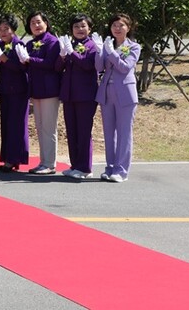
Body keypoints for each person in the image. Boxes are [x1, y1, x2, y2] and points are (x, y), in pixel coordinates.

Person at [94, 13, 141, 183]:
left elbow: (125, 67)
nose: (117, 28)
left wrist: (112, 53)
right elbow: (99, 67)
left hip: (125, 94)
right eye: (114, 25)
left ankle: (121, 170)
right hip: (107, 92)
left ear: (128, 28)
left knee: (124, 133)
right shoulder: (108, 45)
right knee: (109, 133)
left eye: (121, 25)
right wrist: (100, 51)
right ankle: (110, 167)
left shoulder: (134, 47)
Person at [58, 13, 99, 180]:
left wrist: (72, 53)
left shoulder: (92, 45)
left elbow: (88, 65)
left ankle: (85, 167)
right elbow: (57, 67)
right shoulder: (70, 44)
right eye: (76, 27)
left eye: (83, 26)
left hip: (85, 95)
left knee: (83, 131)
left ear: (89, 28)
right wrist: (62, 54)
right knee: (72, 131)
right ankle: (75, 165)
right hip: (69, 94)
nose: (80, 29)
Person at [22, 10, 63, 175]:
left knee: (48, 128)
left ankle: (50, 163)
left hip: (49, 90)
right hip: (36, 90)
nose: (36, 26)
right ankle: (43, 162)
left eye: (39, 22)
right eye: (32, 23)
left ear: (46, 23)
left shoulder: (53, 42)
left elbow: (50, 64)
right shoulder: (30, 44)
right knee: (40, 127)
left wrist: (29, 60)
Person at [0, 14, 29, 172]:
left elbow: (21, 67)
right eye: (0, 29)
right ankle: (8, 158)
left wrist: (2, 57)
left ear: (13, 30)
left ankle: (14, 159)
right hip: (5, 89)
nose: (3, 32)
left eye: (6, 29)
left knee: (17, 125)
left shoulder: (19, 44)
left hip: (19, 90)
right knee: (6, 124)